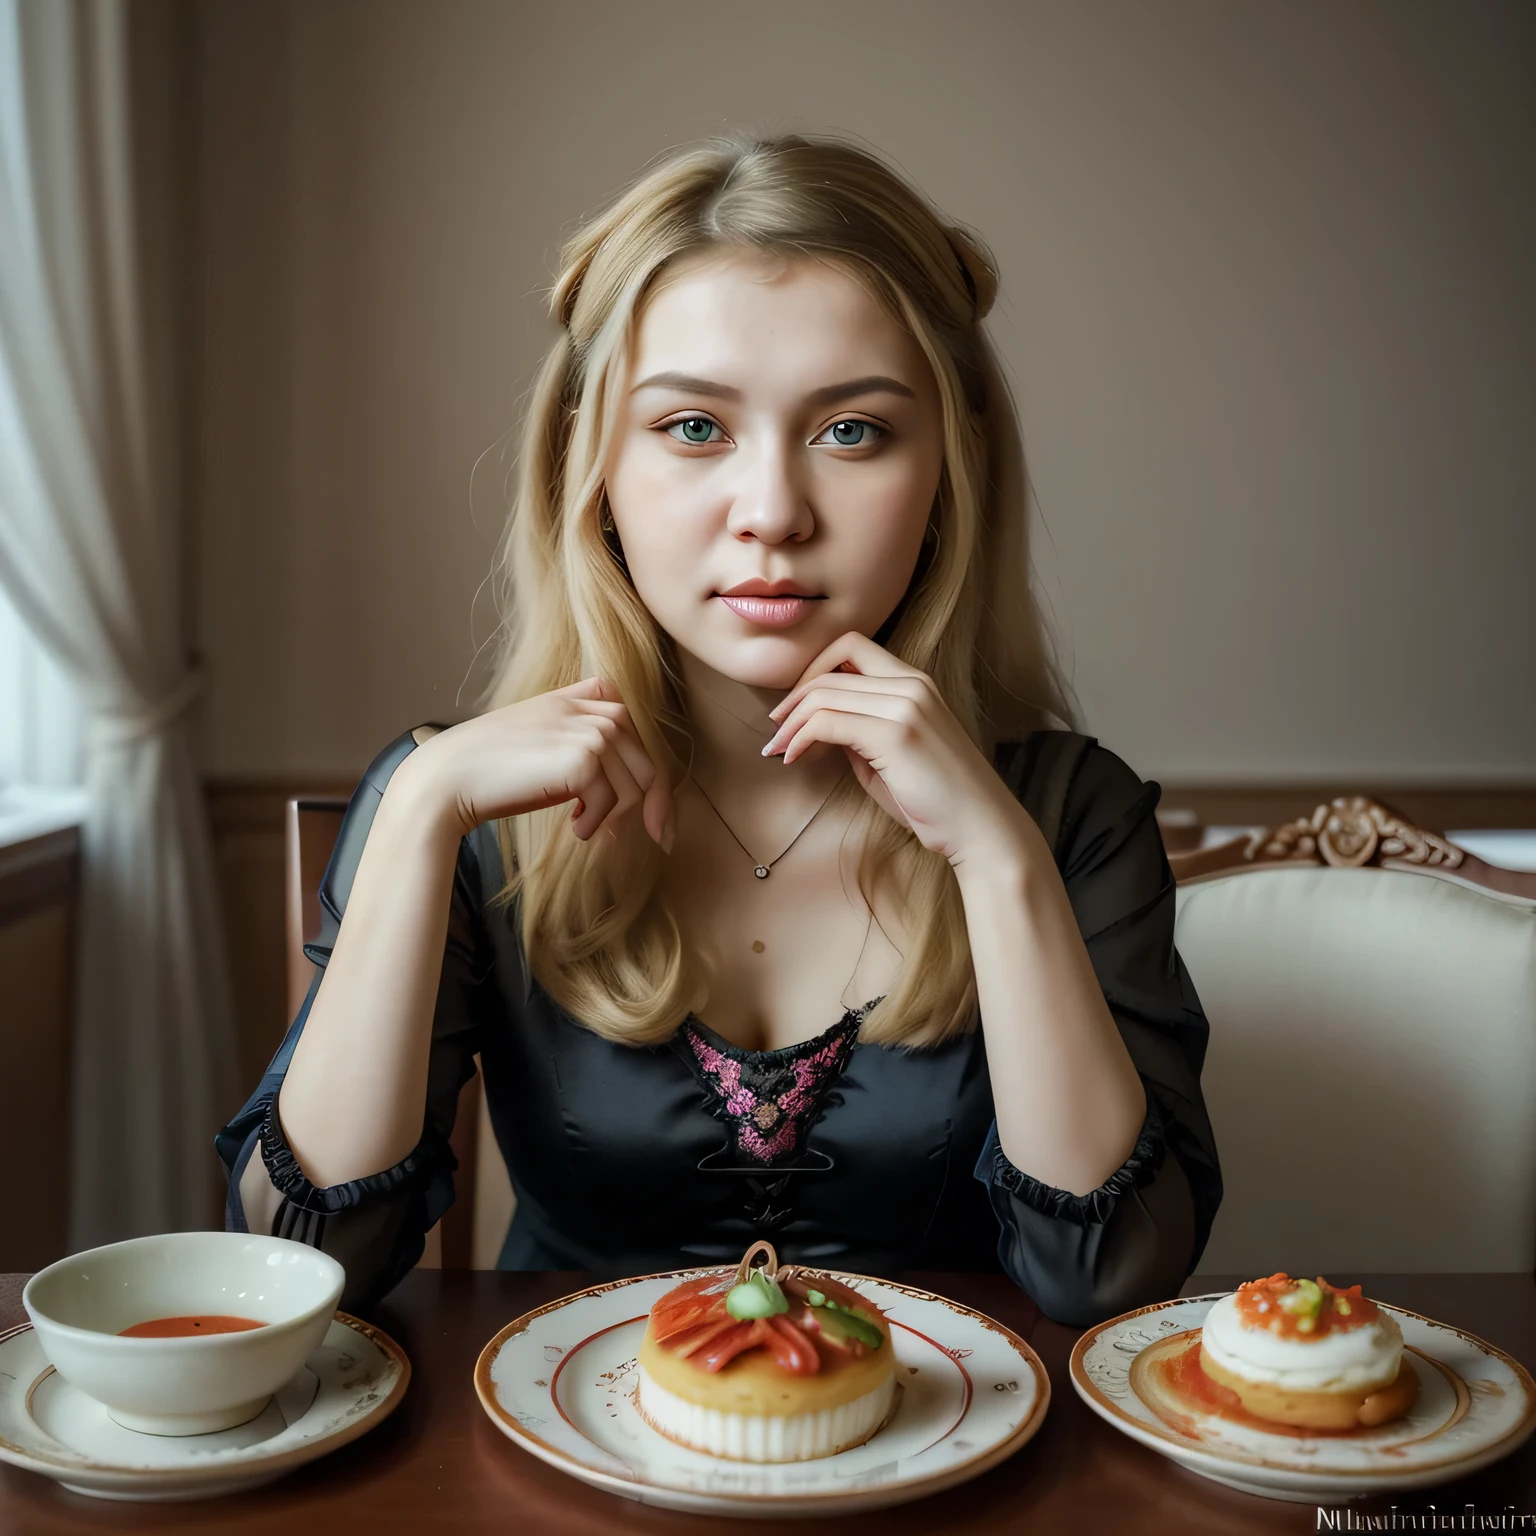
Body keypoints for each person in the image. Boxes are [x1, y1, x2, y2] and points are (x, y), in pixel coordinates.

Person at [216, 130, 1222, 1326]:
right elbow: (307, 1256)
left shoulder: (1069, 816)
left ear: (948, 472)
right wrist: (424, 809)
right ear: (590, 468)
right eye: (694, 428)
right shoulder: (462, 805)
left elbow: (1110, 1277)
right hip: (562, 1479)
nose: (772, 514)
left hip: (959, 1478)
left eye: (852, 430)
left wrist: (997, 861)